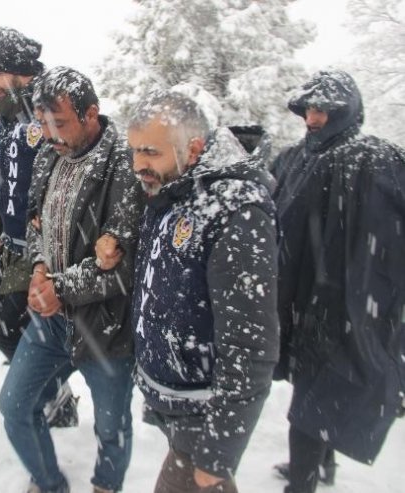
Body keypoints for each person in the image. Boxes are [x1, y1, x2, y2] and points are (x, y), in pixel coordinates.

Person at [112, 90, 279, 493]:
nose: (138, 165)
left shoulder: (235, 211)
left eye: (150, 152)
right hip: (178, 407)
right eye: (134, 151)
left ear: (195, 147)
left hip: (202, 411)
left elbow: (250, 343)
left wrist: (218, 452)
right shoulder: (173, 189)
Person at [0, 67, 140, 493]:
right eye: (42, 124)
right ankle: (49, 482)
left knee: (112, 427)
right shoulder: (46, 155)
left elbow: (124, 264)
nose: (51, 135)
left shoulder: (124, 162)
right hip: (51, 321)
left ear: (91, 113)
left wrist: (61, 289)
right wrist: (39, 269)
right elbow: (35, 225)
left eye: (59, 123)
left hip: (105, 326)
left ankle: (106, 484)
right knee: (14, 406)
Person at [270, 70, 405, 493]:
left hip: (342, 304)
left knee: (312, 398)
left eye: (324, 110)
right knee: (312, 387)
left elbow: (385, 241)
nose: (313, 119)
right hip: (298, 298)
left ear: (347, 112)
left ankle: (303, 481)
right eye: (309, 109)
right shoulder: (294, 158)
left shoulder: (372, 159)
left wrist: (360, 301)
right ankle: (319, 466)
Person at [0, 26, 78, 425]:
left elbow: (76, 163)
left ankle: (56, 395)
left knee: (50, 329)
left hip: (56, 242)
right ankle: (57, 396)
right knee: (4, 326)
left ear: (21, 71)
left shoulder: (53, 104)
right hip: (16, 244)